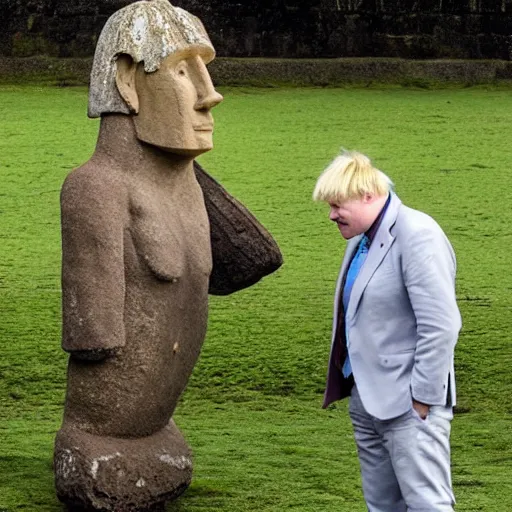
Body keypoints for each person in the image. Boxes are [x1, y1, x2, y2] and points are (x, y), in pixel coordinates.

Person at [313, 150, 461, 512]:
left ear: (367, 195)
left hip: (410, 403)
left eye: (336, 204)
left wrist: (423, 399)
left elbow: (441, 324)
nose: (331, 214)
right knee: (382, 505)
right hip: (367, 399)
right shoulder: (360, 239)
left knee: (428, 505)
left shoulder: (418, 235)